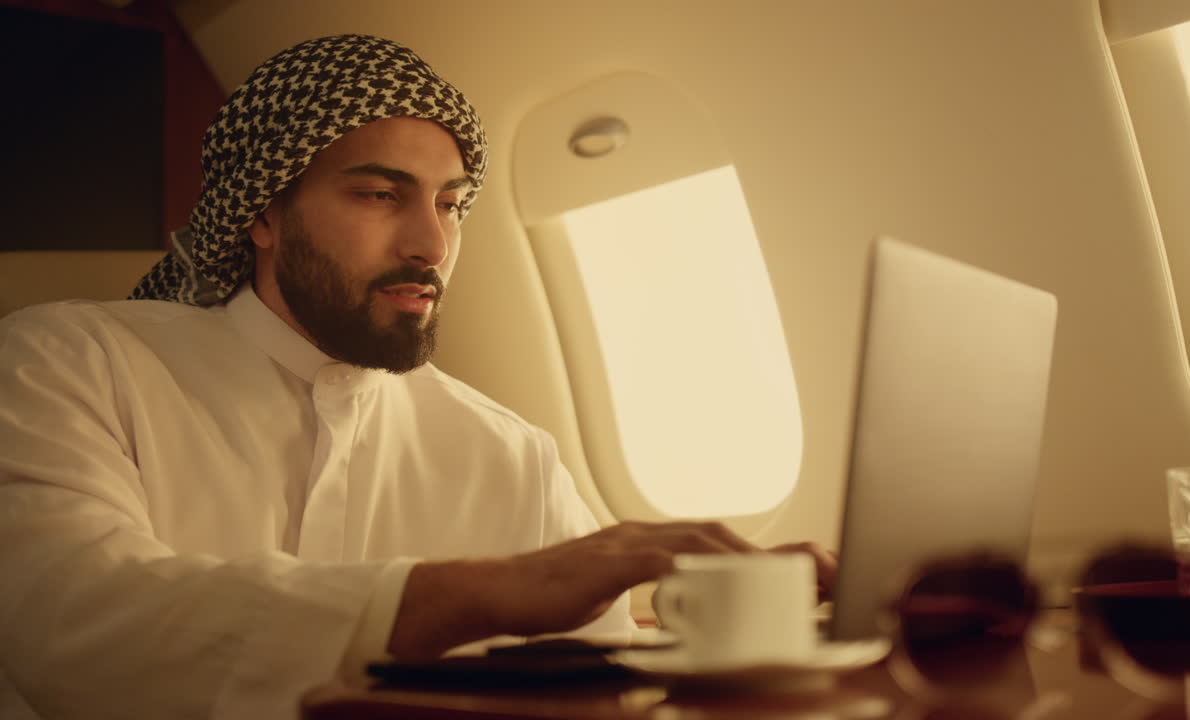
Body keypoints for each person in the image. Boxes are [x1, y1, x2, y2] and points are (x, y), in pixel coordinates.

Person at [0, 34, 834, 719]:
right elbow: (73, 619)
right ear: (261, 211)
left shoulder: (512, 455)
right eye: (378, 195)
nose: (431, 245)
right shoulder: (71, 362)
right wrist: (488, 593)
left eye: (453, 203)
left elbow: (599, 693)